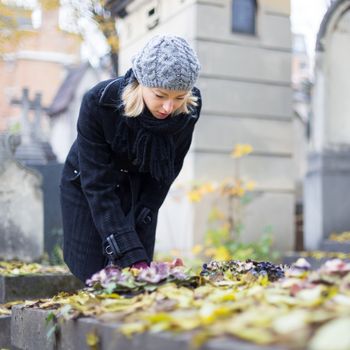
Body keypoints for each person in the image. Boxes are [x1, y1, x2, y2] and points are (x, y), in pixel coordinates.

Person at [60, 35, 202, 282]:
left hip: (142, 185)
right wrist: (127, 250)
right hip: (89, 183)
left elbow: (167, 172)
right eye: (160, 95)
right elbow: (98, 186)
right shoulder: (98, 102)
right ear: (141, 83)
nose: (169, 107)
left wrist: (135, 251)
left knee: (138, 272)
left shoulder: (188, 109)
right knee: (92, 270)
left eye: (179, 97)